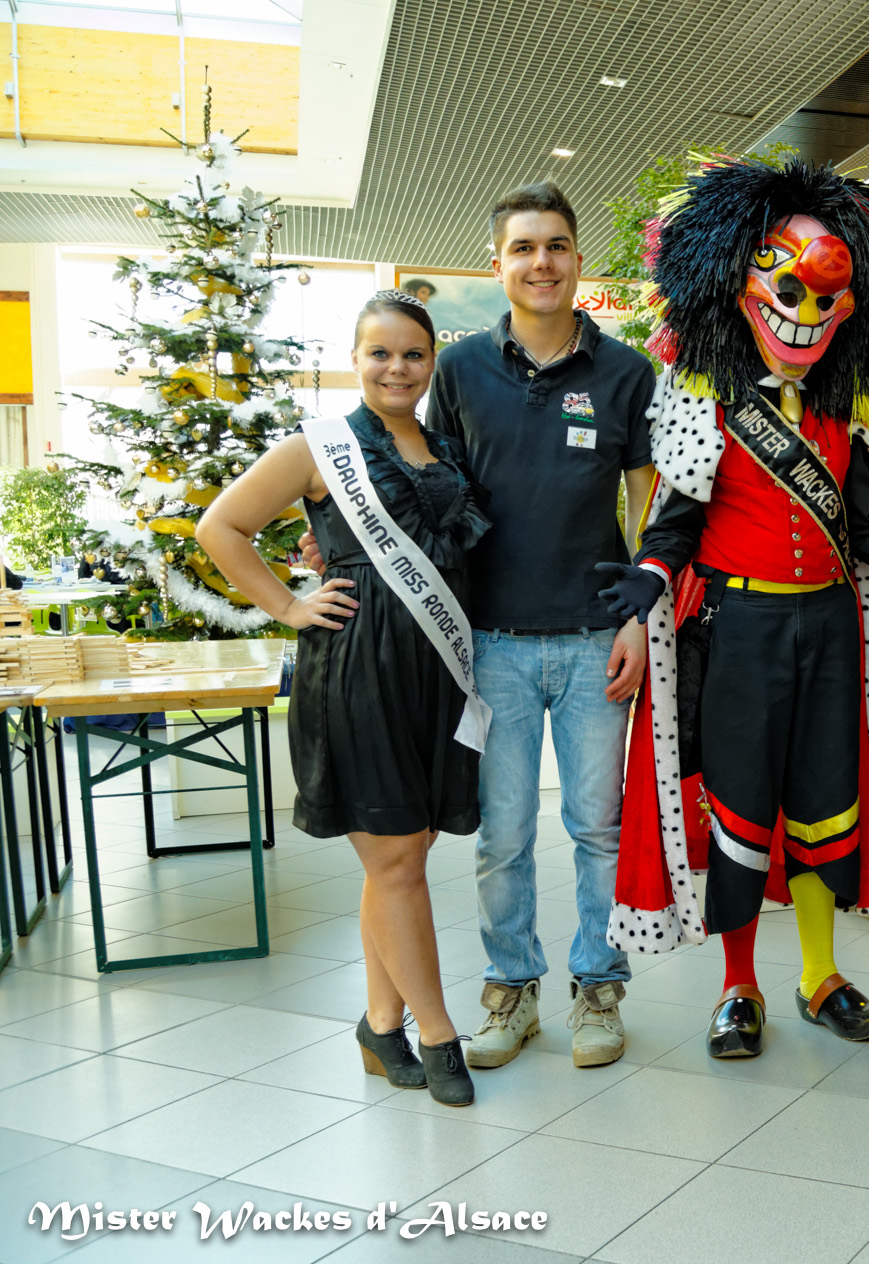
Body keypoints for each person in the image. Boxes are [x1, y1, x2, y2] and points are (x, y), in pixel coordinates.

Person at [601, 156, 869, 1059]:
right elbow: (673, 525)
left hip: (828, 627)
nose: (806, 309)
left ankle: (820, 975)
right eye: (786, 286)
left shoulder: (846, 417)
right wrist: (648, 580)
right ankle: (738, 989)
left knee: (826, 809)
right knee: (743, 810)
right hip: (739, 631)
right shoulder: (705, 405)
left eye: (828, 296)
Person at [310, 181, 658, 1073]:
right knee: (501, 835)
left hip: (592, 641)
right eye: (523, 248)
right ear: (498, 263)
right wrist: (332, 550)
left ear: (579, 259)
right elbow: (422, 481)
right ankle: (510, 995)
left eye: (556, 246)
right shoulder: (457, 369)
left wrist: (637, 617)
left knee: (598, 831)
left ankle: (597, 992)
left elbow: (646, 498)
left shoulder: (625, 372)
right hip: (488, 645)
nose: (541, 262)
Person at [197, 291, 487, 1106]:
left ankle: (378, 1023)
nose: (397, 369)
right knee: (396, 857)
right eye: (380, 354)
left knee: (403, 855)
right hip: (358, 667)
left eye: (413, 355)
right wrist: (288, 605)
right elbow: (221, 528)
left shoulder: (441, 445)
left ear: (432, 363)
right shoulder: (320, 447)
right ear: (355, 360)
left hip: (433, 668)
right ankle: (437, 1035)